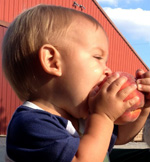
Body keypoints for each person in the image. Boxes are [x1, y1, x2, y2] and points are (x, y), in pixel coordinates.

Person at [2, 4, 150, 162]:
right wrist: (104, 116)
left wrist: (145, 105)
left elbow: (121, 137)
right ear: (52, 61)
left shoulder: (81, 119)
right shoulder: (30, 125)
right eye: (97, 57)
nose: (108, 70)